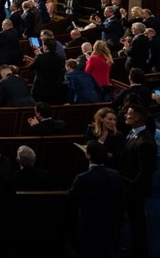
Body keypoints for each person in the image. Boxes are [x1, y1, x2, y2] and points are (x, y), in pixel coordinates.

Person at [114, 104, 157, 258]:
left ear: (137, 118)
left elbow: (144, 172)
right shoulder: (133, 134)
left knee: (137, 222)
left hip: (134, 189)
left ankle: (139, 251)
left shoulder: (145, 141)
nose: (125, 115)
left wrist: (130, 188)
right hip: (129, 184)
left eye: (129, 114)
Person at [69, 141, 124, 258]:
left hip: (88, 223)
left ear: (88, 156)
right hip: (109, 221)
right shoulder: (115, 175)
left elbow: (72, 199)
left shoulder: (81, 178)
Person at [29, 38, 65, 104]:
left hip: (41, 89)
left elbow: (31, 68)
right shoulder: (61, 58)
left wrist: (38, 56)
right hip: (55, 88)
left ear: (45, 46)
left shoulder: (40, 57)